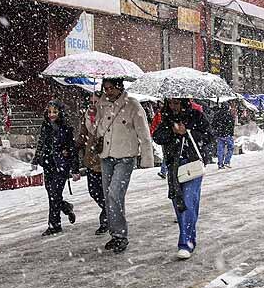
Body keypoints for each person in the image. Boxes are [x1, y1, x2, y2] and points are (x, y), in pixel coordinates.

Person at [94, 77, 155, 254]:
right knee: (108, 196)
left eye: (111, 88)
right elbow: (96, 130)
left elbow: (144, 133)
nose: (108, 91)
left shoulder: (133, 105)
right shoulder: (101, 104)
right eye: (105, 88)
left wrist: (147, 159)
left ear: (120, 87)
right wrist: (91, 116)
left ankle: (121, 235)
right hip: (106, 156)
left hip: (125, 157)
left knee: (115, 194)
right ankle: (115, 234)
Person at [152, 97, 213, 260]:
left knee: (188, 200)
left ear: (184, 102)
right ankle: (190, 237)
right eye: (171, 103)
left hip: (192, 164)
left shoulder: (196, 116)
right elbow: (157, 137)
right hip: (174, 166)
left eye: (176, 103)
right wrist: (172, 131)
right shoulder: (166, 117)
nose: (173, 106)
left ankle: (185, 243)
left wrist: (188, 132)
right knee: (180, 203)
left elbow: (209, 136)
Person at [33, 100, 80, 236]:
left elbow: (72, 148)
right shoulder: (45, 126)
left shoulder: (66, 128)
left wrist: (75, 168)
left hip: (61, 165)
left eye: (54, 111)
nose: (52, 114)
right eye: (49, 112)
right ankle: (65, 207)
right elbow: (41, 142)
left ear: (60, 112)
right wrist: (37, 158)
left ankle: (54, 225)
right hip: (48, 164)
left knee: (54, 194)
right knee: (51, 194)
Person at [77, 91, 108, 235]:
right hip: (91, 158)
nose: (93, 105)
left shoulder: (108, 115)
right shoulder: (87, 117)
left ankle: (106, 219)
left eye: (96, 102)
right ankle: (108, 210)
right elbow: (82, 136)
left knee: (106, 191)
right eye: (91, 102)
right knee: (93, 191)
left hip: (106, 157)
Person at [212, 101, 236, 169]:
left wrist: (217, 131)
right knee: (230, 148)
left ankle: (220, 164)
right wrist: (231, 133)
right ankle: (227, 161)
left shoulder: (217, 114)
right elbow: (231, 125)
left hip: (219, 135)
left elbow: (213, 124)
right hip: (228, 134)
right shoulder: (229, 115)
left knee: (220, 150)